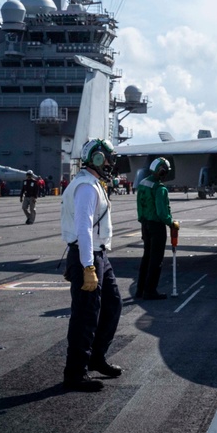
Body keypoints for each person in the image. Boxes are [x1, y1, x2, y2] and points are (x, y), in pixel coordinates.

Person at [61, 138, 123, 392]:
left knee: (112, 305)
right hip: (88, 255)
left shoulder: (94, 184)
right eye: (107, 158)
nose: (109, 163)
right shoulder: (86, 187)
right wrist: (88, 267)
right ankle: (75, 373)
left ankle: (96, 357)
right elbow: (84, 229)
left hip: (99, 256)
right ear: (97, 158)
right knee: (86, 315)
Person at [135, 157, 179, 300]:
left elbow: (139, 206)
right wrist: (171, 222)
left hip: (145, 224)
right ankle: (150, 291)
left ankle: (140, 290)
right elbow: (161, 212)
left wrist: (142, 220)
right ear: (162, 171)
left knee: (146, 257)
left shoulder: (142, 183)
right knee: (156, 259)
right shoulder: (160, 188)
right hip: (157, 226)